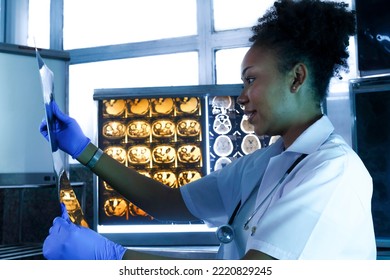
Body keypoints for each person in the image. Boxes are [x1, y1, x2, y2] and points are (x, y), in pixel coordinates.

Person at [40, 0, 376, 260]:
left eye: (251, 79)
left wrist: (114, 259)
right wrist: (85, 150)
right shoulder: (263, 164)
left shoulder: (334, 172)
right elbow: (167, 202)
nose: (242, 97)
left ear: (297, 77)